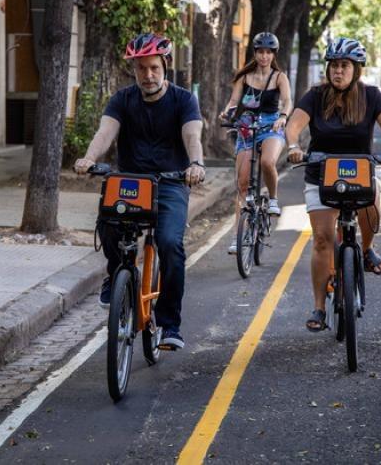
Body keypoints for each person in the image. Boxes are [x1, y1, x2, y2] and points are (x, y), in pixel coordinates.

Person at [74, 33, 205, 350]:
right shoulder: (122, 99)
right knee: (107, 221)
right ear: (133, 69)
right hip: (131, 183)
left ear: (166, 66)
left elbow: (192, 136)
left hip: (171, 182)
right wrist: (90, 158)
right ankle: (116, 274)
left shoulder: (184, 100)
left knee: (170, 244)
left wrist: (196, 163)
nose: (148, 75)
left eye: (154, 68)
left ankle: (170, 324)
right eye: (141, 68)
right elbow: (106, 132)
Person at [285, 37, 381, 332]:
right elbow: (294, 126)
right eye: (334, 66)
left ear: (357, 69)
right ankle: (318, 307)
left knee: (374, 196)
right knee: (322, 240)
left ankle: (366, 250)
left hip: (360, 171)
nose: (338, 71)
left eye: (344, 66)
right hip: (319, 173)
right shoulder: (315, 96)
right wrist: (293, 146)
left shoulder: (372, 96)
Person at [220, 32, 292, 254]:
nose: (264, 56)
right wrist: (227, 113)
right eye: (260, 51)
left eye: (268, 52)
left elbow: (288, 100)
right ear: (255, 53)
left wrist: (282, 116)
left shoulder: (279, 77)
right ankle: (237, 237)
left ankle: (272, 199)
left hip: (271, 126)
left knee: (267, 162)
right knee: (242, 184)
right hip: (246, 126)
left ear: (273, 54)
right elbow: (233, 102)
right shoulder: (244, 77)